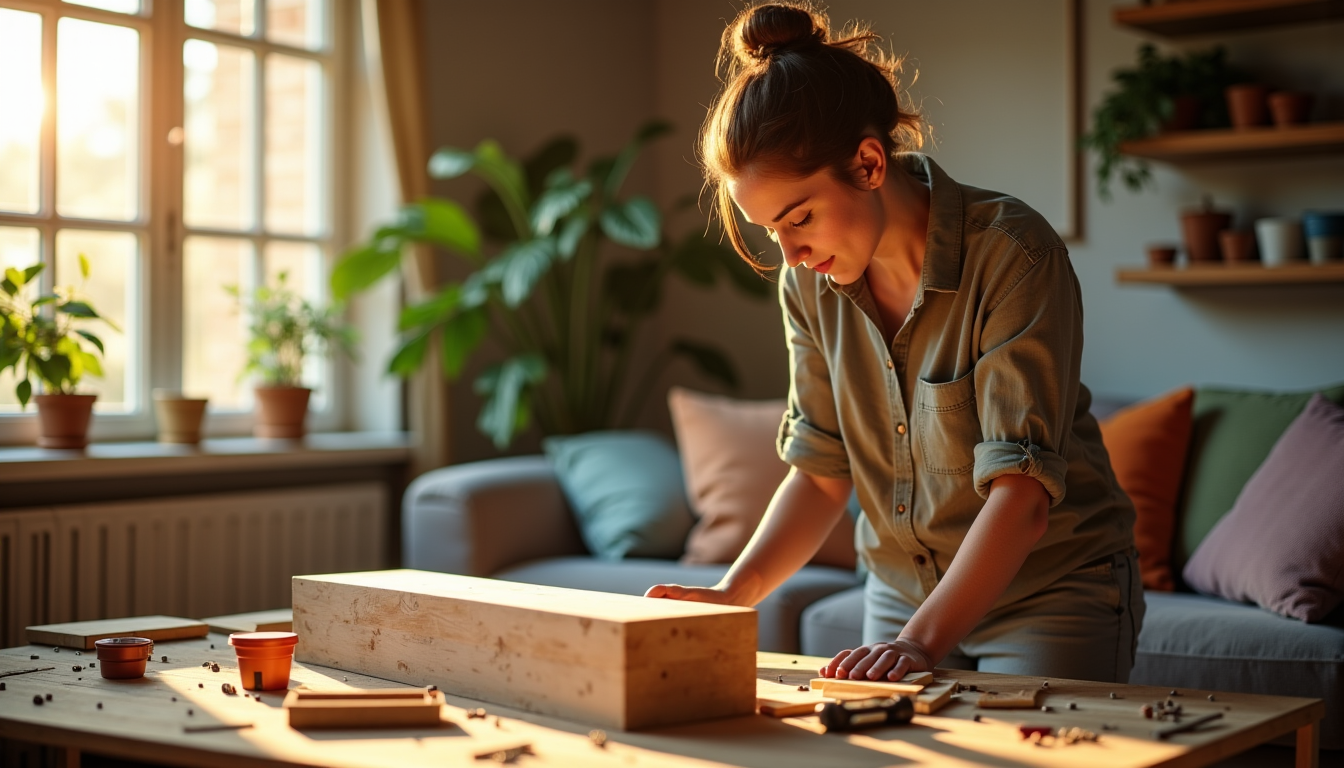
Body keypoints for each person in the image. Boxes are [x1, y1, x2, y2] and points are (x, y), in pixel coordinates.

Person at [645, 2, 1144, 685]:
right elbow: (821, 470)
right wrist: (733, 595)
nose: (790, 254)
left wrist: (917, 644)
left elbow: (1022, 494)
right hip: (899, 593)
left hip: (1050, 592)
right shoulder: (810, 283)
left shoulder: (1012, 254)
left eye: (800, 218)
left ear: (870, 163)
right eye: (771, 233)